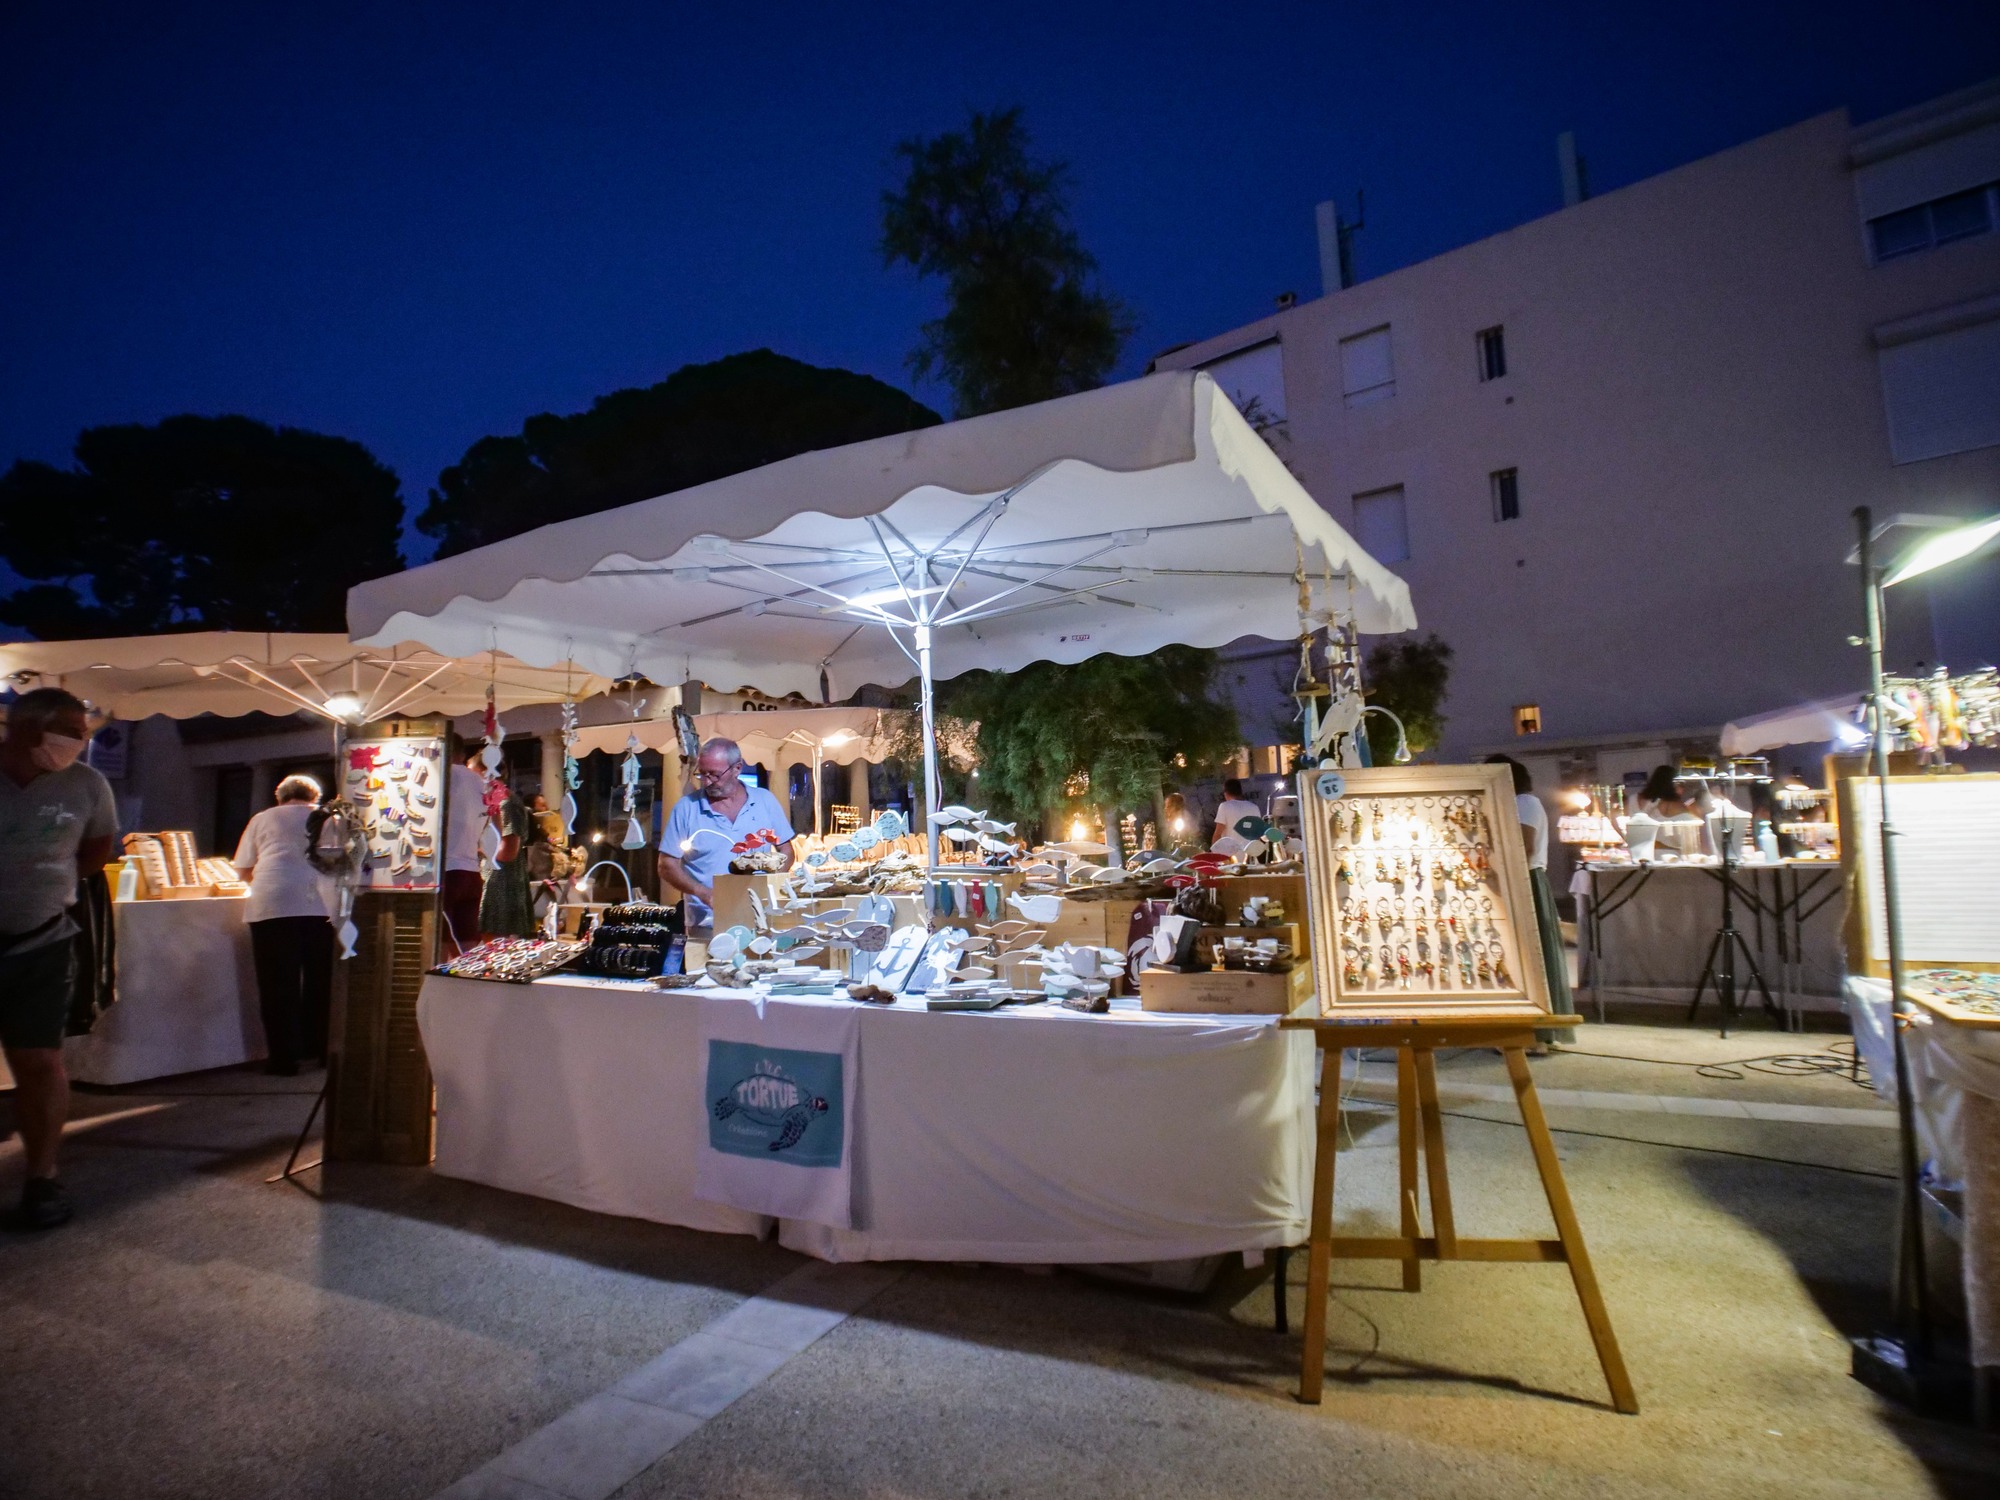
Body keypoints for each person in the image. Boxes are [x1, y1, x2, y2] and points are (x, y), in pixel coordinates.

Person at [0, 687, 116, 1229]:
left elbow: (96, 854)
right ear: (25, 729)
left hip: (41, 942)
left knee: (40, 1061)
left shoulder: (88, 785)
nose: (81, 740)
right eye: (70, 730)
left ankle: (42, 1178)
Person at [232, 774, 334, 1076]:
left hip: (271, 905)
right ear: (313, 796)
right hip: (320, 905)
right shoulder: (327, 818)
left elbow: (243, 868)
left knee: (278, 985)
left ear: (280, 797)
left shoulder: (262, 819)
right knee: (320, 982)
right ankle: (320, 1050)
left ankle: (284, 1059)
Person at [658, 738, 795, 936]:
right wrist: (703, 893)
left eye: (714, 775)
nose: (706, 782)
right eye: (702, 774)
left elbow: (787, 851)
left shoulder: (765, 801)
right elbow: (666, 865)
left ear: (737, 768)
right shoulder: (686, 808)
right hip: (706, 924)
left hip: (760, 921)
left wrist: (770, 886)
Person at [1485, 754, 1575, 1042]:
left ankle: (1538, 1036)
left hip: (1526, 881)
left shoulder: (1525, 803)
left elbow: (1524, 846)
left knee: (1531, 956)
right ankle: (1531, 1033)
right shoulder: (1520, 803)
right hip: (1522, 879)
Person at [440, 748, 491, 958]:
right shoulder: (481, 782)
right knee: (468, 944)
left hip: (448, 869)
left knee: (441, 942)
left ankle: (438, 989)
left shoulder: (443, 774)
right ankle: (469, 986)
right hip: (471, 871)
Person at [479, 781, 535, 939]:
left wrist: (477, 846)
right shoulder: (497, 801)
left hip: (501, 884)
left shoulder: (506, 803)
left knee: (495, 949)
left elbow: (508, 852)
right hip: (496, 880)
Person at [1211, 778, 1261, 847]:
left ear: (1226, 793)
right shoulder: (1254, 807)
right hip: (1249, 852)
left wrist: (1214, 853)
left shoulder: (1225, 806)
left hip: (1230, 852)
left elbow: (1218, 833)